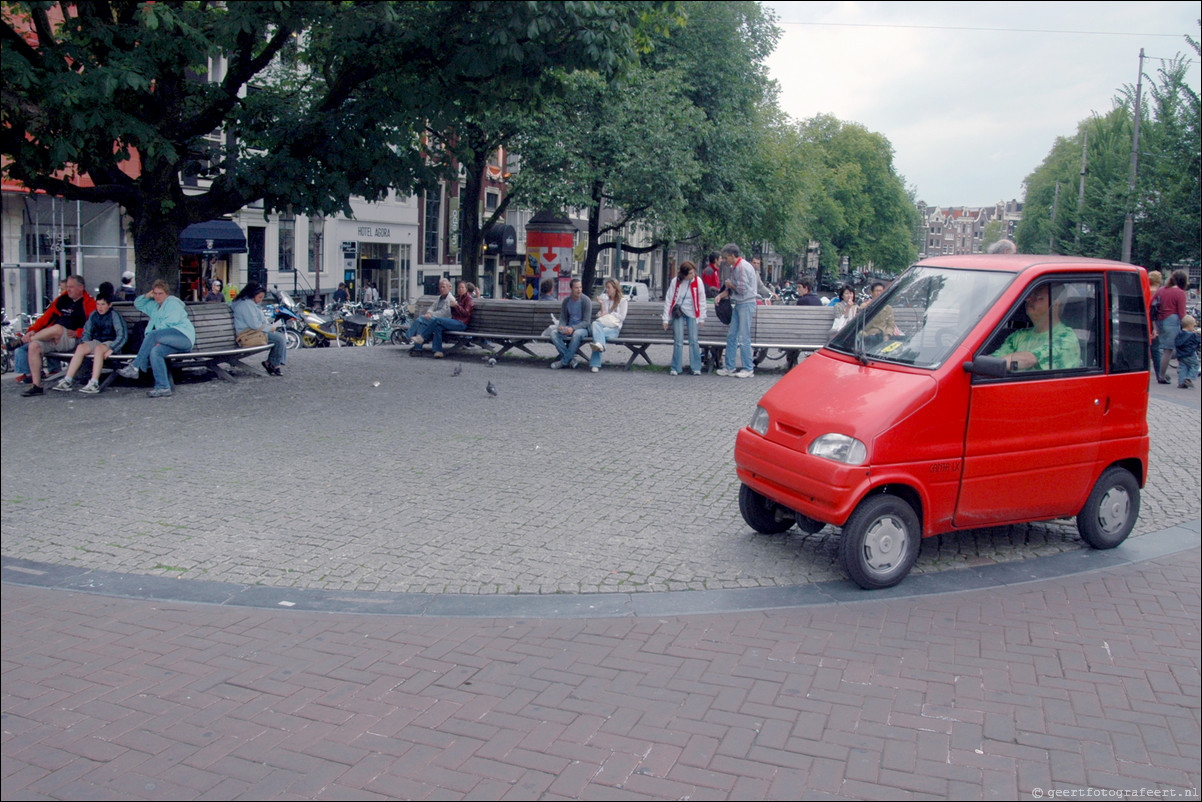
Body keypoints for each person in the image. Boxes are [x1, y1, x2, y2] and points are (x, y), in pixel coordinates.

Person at [16, 274, 95, 396]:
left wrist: (78, 332)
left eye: (71, 287)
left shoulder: (89, 303)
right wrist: (32, 329)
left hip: (72, 338)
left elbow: (93, 326)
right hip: (53, 336)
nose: (68, 290)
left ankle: (24, 341)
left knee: (57, 329)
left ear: (81, 288)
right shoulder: (61, 300)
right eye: (67, 287)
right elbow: (45, 318)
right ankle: (37, 385)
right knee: (34, 346)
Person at [116, 280, 196, 397]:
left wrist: (158, 339)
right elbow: (138, 304)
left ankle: (135, 367)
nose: (157, 296)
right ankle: (163, 387)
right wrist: (147, 296)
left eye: (160, 293)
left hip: (183, 337)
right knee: (155, 352)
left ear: (167, 294)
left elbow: (170, 322)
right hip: (168, 340)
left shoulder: (173, 303)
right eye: (155, 293)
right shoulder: (154, 306)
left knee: (152, 335)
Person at [50, 287, 129, 394]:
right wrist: (85, 342)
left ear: (110, 305)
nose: (100, 307)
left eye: (103, 304)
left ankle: (94, 382)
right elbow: (87, 331)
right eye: (98, 304)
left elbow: (122, 335)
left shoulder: (114, 316)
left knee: (98, 349)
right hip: (97, 341)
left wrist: (112, 348)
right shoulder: (94, 315)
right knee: (81, 348)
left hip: (111, 342)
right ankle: (67, 380)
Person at [991, 283, 1081, 372]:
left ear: (1056, 303)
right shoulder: (1020, 335)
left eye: (1037, 297)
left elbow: (1030, 359)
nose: (1028, 299)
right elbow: (994, 359)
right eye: (1029, 295)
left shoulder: (1066, 338)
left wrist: (992, 365)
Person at [715, 243, 759, 378]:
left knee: (744, 336)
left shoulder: (741, 267)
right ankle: (730, 366)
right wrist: (721, 295)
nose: (724, 260)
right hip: (740, 303)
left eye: (726, 257)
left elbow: (742, 289)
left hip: (746, 303)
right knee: (732, 335)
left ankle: (748, 368)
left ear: (733, 256)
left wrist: (729, 285)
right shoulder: (736, 267)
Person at [661, 261, 707, 376]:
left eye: (694, 272)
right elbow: (669, 299)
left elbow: (702, 299)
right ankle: (676, 367)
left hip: (693, 312)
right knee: (678, 340)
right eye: (690, 273)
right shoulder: (675, 282)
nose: (693, 275)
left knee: (694, 340)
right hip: (679, 312)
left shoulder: (698, 281)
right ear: (684, 274)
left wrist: (702, 317)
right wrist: (665, 319)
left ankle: (696, 367)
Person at [231, 282, 286, 376]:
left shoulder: (248, 303)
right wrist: (269, 328)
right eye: (260, 297)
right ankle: (273, 365)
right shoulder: (246, 305)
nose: (261, 300)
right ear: (253, 295)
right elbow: (255, 325)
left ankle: (273, 364)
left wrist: (268, 326)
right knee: (279, 339)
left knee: (280, 337)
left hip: (253, 332)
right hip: (248, 335)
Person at [1152, 269, 1189, 385]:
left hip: (1159, 321)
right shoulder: (1180, 293)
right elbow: (1182, 313)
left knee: (1162, 349)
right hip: (1172, 321)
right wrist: (1189, 325)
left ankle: (1162, 372)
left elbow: (1151, 304)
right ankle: (1162, 376)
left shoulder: (1161, 290)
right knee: (1168, 350)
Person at [549, 278, 593, 369]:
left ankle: (564, 362)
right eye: (576, 288)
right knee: (553, 333)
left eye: (580, 287)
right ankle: (571, 360)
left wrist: (573, 328)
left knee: (576, 334)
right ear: (571, 289)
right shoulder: (566, 301)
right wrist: (561, 326)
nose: (579, 290)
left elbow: (586, 322)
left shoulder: (586, 301)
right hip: (569, 327)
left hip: (582, 330)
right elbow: (563, 318)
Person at [426, 280, 473, 358]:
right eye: (459, 288)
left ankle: (423, 337)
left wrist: (456, 306)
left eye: (462, 288)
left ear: (466, 289)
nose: (460, 289)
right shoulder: (457, 298)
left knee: (437, 320)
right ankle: (438, 351)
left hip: (462, 323)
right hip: (454, 321)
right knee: (438, 327)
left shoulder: (469, 300)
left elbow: (466, 314)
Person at [589, 278, 627, 373]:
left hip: (614, 329)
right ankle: (600, 346)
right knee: (595, 325)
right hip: (603, 327)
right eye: (606, 287)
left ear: (615, 288)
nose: (607, 290)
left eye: (609, 287)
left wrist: (609, 314)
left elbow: (622, 317)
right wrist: (601, 305)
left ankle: (595, 364)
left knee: (597, 335)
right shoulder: (605, 300)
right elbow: (601, 314)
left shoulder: (623, 301)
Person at [407, 277, 454, 355]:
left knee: (421, 319)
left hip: (442, 321)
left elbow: (444, 313)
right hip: (434, 319)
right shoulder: (439, 298)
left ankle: (408, 336)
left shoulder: (450, 299)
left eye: (443, 287)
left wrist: (431, 315)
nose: (441, 289)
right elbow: (432, 307)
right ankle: (418, 349)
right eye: (440, 287)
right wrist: (429, 313)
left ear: (449, 288)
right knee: (422, 325)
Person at [860, 281, 895, 346]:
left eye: (881, 291)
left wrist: (887, 335)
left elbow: (891, 325)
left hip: (882, 335)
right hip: (868, 335)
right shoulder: (865, 306)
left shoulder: (888, 308)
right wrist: (866, 335)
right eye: (877, 291)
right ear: (872, 292)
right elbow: (858, 325)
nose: (879, 293)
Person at [1174, 315, 1199, 389]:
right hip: (1190, 354)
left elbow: (1177, 343)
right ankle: (1189, 379)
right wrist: (1196, 334)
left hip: (1181, 355)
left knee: (1182, 367)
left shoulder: (1179, 334)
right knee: (1195, 365)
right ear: (1190, 326)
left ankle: (1181, 382)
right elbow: (1197, 342)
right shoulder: (1192, 335)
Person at [1147, 270, 1163, 373]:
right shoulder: (1157, 292)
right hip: (1153, 321)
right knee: (1156, 348)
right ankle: (1160, 372)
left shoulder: (1146, 289)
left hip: (1146, 319)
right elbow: (1153, 309)